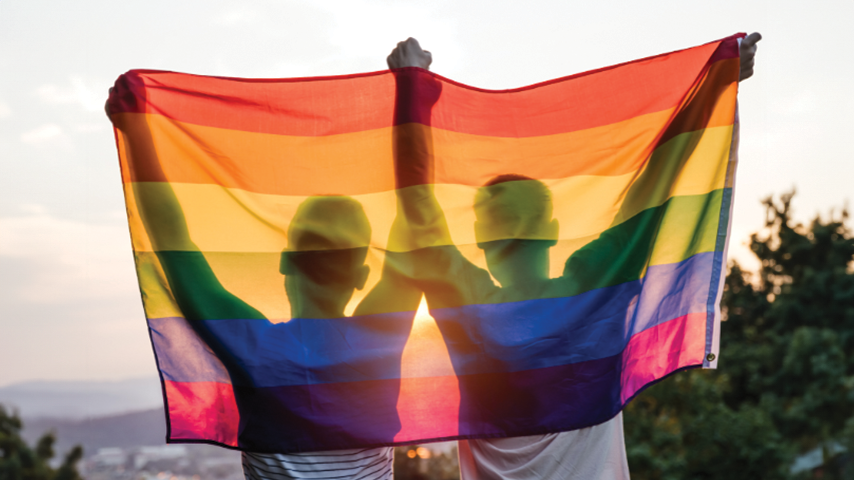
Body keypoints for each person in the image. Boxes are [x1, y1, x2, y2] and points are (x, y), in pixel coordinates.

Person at [367, 34, 760, 480]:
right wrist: (716, 84)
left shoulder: (468, 303)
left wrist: (411, 90)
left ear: (479, 237)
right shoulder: (593, 288)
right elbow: (656, 183)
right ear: (552, 231)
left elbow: (417, 206)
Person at [106, 104, 395, 479]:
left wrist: (136, 128)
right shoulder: (384, 339)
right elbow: (421, 228)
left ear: (285, 261)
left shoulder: (253, 348)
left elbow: (171, 237)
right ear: (361, 275)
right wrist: (415, 101)